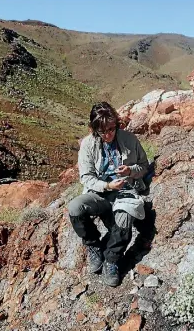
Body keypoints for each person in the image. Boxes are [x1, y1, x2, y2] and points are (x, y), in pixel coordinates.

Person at [67, 101, 149, 287]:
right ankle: (94, 245)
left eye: (111, 129)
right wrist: (107, 185)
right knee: (75, 208)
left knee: (125, 219)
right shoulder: (88, 145)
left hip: (125, 191)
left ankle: (111, 260)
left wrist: (129, 171)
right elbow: (86, 178)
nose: (108, 135)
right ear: (95, 130)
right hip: (100, 191)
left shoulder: (129, 139)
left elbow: (143, 167)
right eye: (102, 131)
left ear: (116, 125)